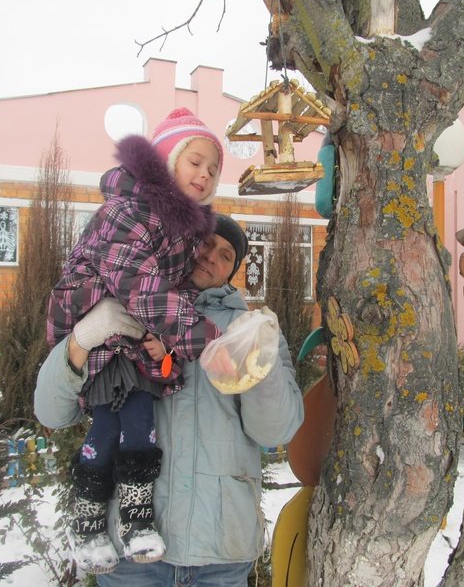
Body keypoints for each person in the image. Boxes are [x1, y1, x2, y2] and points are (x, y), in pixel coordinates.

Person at [35, 215, 304, 586]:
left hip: (221, 552)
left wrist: (260, 357)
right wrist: (82, 338)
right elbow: (50, 412)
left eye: (226, 256)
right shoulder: (124, 306)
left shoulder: (246, 330)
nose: (212, 256)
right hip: (132, 561)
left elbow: (275, 430)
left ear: (231, 272)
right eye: (206, 243)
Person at [46, 108, 225, 573]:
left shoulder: (184, 233)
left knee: (142, 425)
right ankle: (87, 523)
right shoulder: (126, 210)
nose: (204, 175)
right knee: (107, 427)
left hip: (135, 341)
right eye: (195, 162)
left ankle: (136, 519)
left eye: (213, 169)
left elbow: (175, 292)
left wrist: (170, 347)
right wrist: (207, 339)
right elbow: (141, 287)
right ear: (166, 161)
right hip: (98, 333)